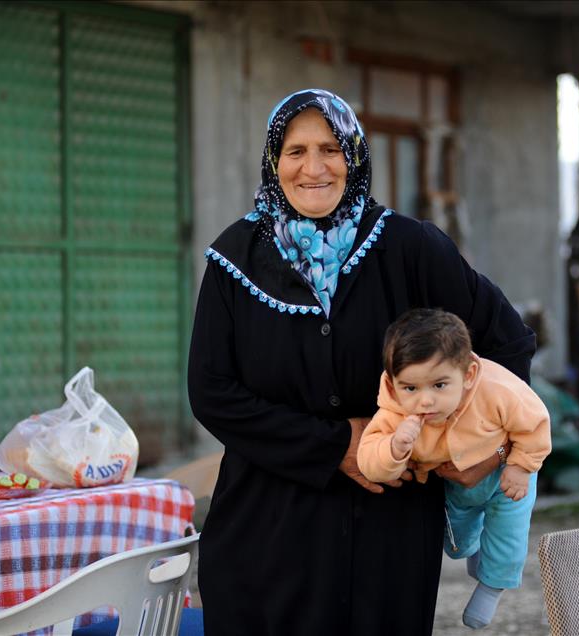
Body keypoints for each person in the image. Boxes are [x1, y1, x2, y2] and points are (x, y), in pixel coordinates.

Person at [187, 89, 536, 636]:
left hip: (388, 534)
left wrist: (487, 447)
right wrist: (334, 447)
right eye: (296, 150)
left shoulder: (410, 248)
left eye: (330, 148)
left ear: (354, 155)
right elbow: (212, 393)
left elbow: (506, 343)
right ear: (274, 160)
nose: (313, 168)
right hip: (266, 531)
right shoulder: (236, 258)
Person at [357, 308, 551, 629]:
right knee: (456, 541)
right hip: (456, 485)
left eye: (439, 385)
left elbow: (535, 423)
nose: (425, 401)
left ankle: (491, 587)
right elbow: (368, 461)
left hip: (507, 478)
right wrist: (393, 450)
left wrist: (520, 466)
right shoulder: (395, 414)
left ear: (469, 374)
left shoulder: (498, 389)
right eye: (410, 388)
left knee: (508, 538)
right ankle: (476, 554)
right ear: (392, 385)